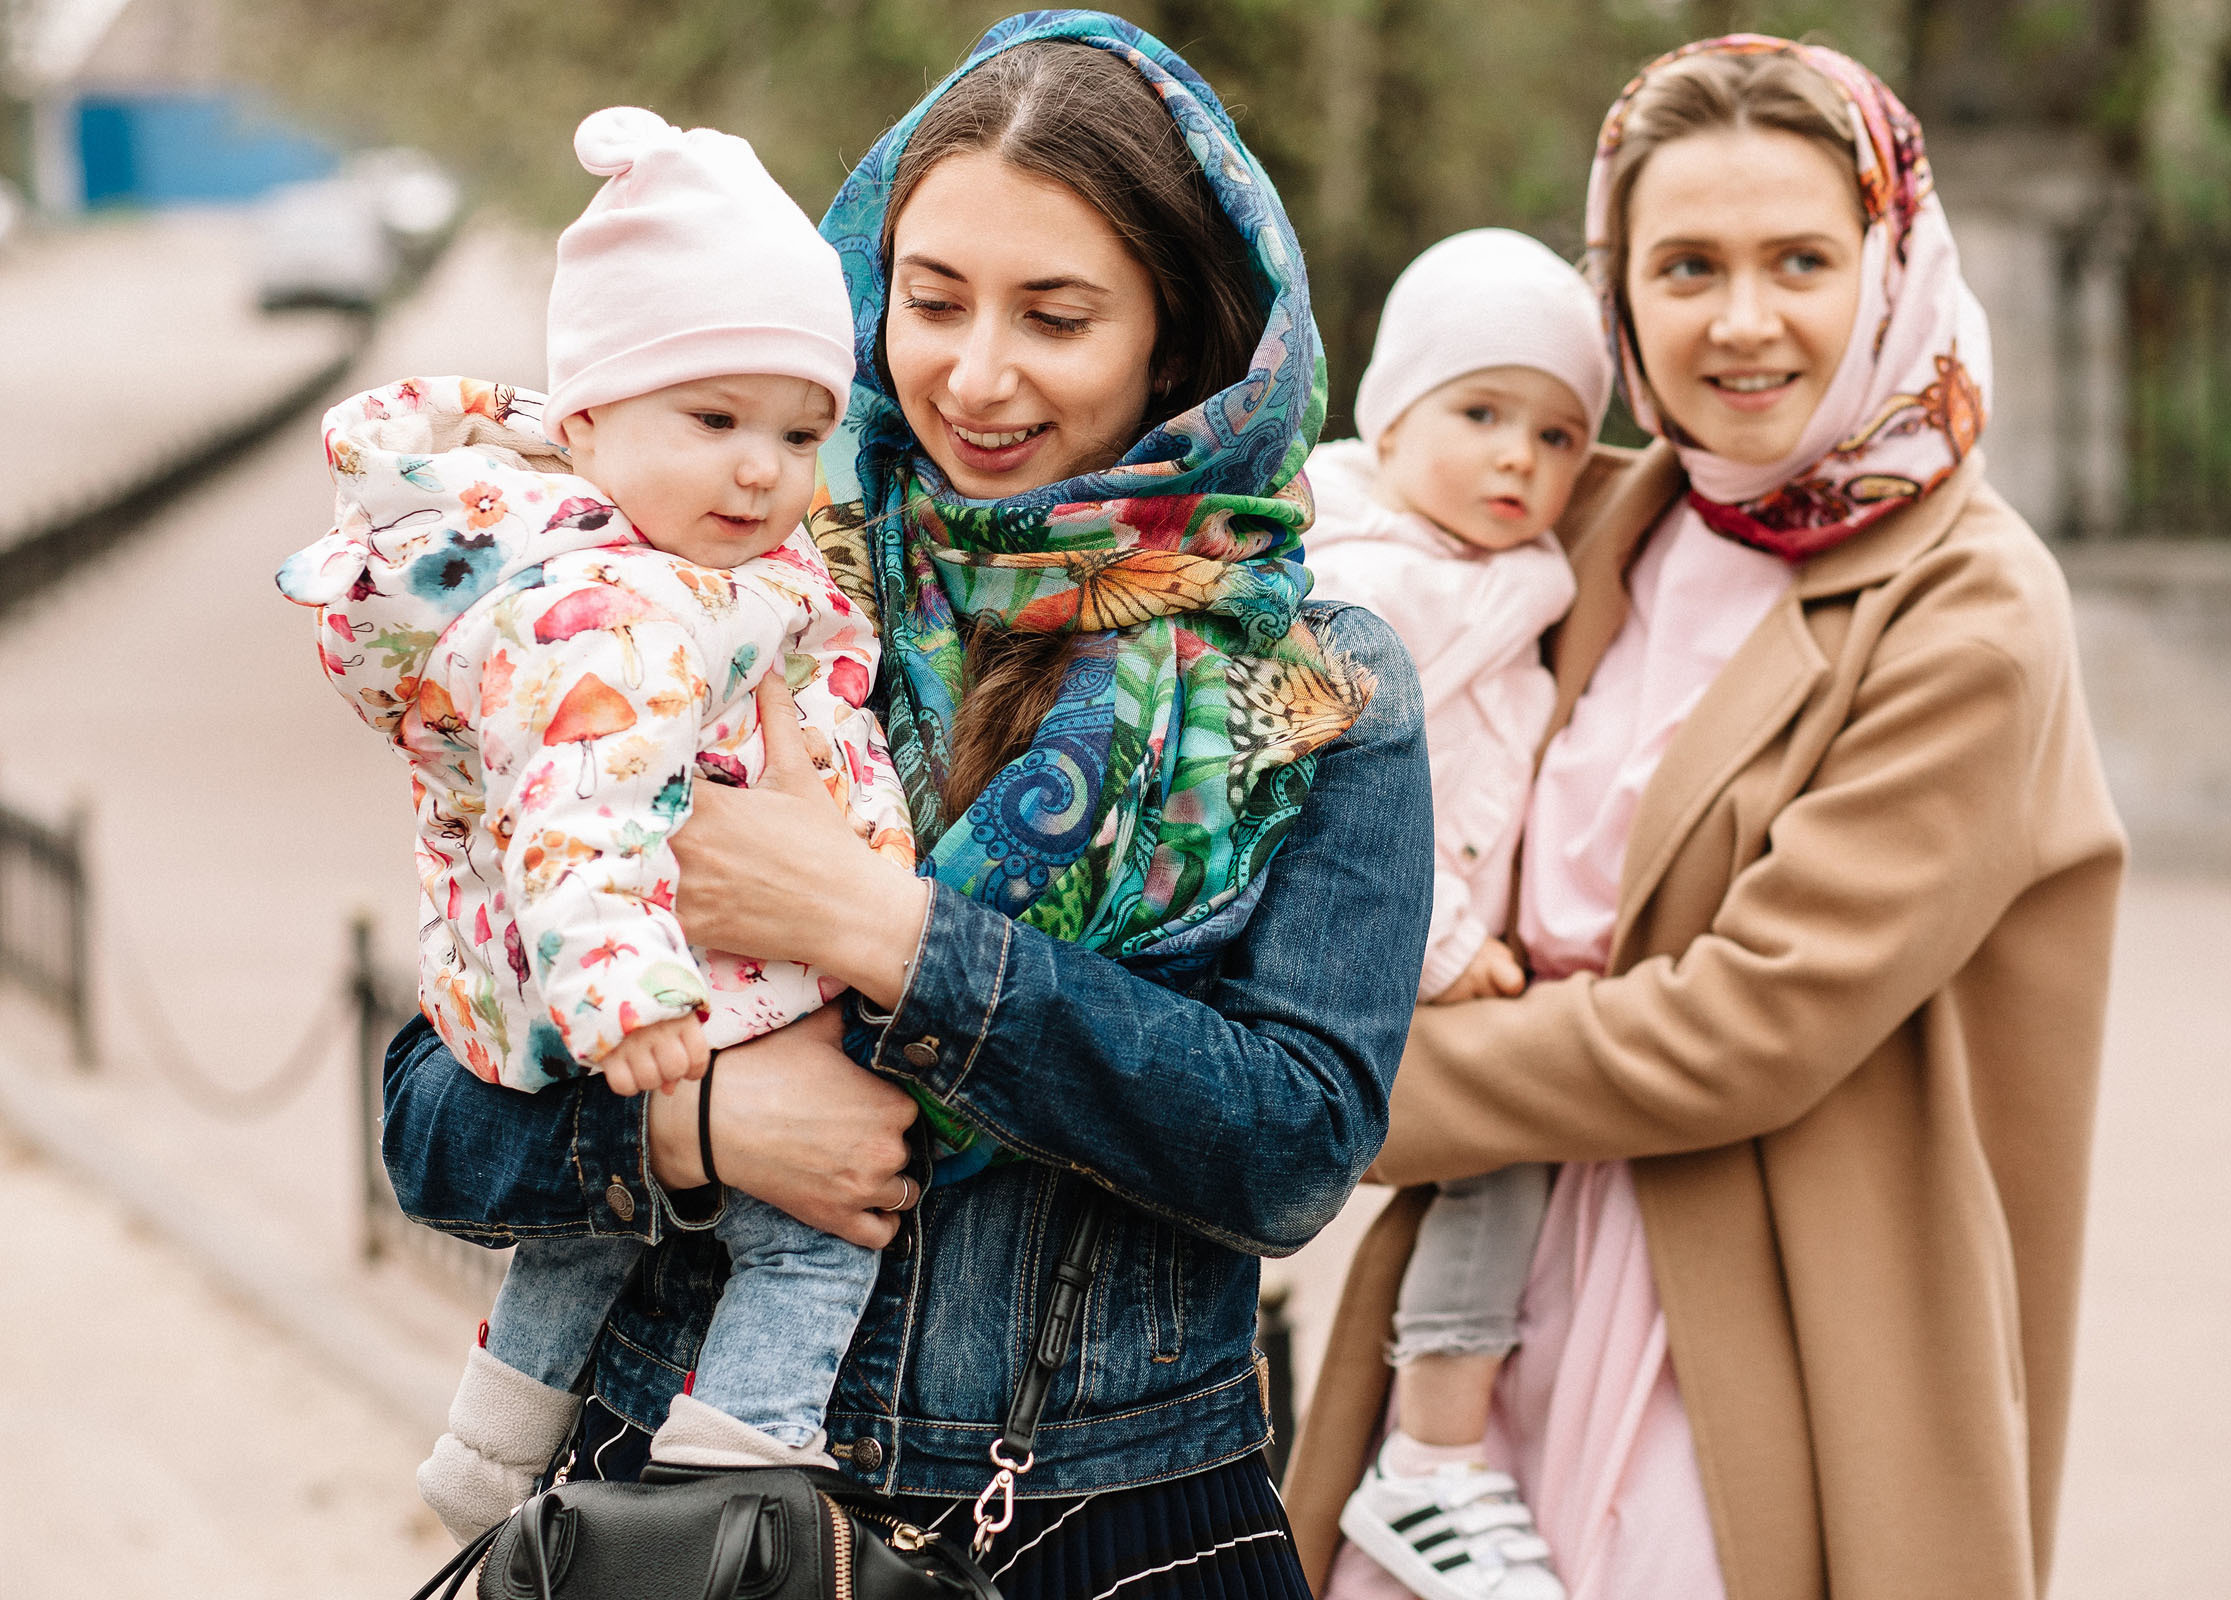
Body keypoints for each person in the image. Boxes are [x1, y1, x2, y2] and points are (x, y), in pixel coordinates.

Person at [377, 13, 1434, 1600]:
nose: (975, 373)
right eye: (932, 302)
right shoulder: (727, 588)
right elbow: (429, 1115)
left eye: (1056, 317)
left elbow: (1293, 1149)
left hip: (1103, 1538)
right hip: (678, 1522)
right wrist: (694, 1123)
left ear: (1174, 334)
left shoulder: (1318, 684)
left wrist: (883, 932)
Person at [1289, 35, 2126, 1600]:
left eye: (1800, 258)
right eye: (1686, 265)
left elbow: (1753, 1023)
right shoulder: (1589, 515)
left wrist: (1327, 1094)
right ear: (1618, 294)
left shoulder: (1970, 607)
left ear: (1887, 267)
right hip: (1486, 1291)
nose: (1741, 321)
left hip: (1767, 1324)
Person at [278, 106, 918, 1540]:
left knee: (578, 1245)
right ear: (586, 427)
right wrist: (626, 992)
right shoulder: (614, 612)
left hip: (641, 998)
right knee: (814, 1253)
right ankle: (728, 1496)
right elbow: (581, 809)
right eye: (714, 420)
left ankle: (489, 1450)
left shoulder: (679, 576)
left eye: (802, 430)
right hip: (677, 1001)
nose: (763, 469)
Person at [1300, 228, 1610, 1600]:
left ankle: (1433, 1448)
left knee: (1498, 1164)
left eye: (1554, 437)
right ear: (1393, 412)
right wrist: (1441, 955)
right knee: (1501, 1143)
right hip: (1383, 956)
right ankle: (1432, 1456)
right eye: (1479, 415)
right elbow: (1319, 785)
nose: (1517, 463)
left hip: (1454, 954)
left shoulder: (1518, 581)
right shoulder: (1368, 579)